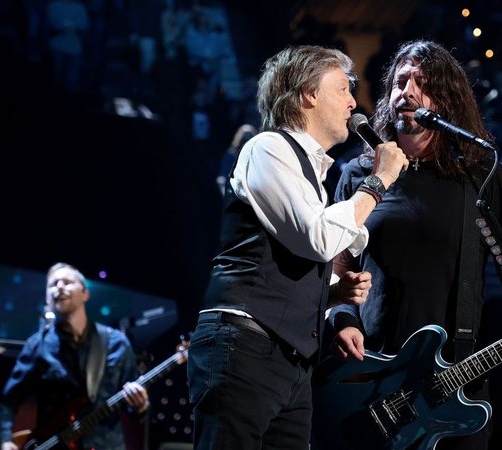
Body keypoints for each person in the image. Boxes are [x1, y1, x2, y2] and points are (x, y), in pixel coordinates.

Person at [326, 39, 502, 450]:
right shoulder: (361, 173)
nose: (407, 91)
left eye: (422, 82)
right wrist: (343, 318)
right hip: (373, 377)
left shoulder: (478, 176)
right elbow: (337, 269)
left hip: (455, 378)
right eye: (400, 82)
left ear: (446, 101)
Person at [186, 45, 409, 449]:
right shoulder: (267, 148)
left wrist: (331, 293)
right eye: (343, 88)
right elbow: (320, 239)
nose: (352, 102)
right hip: (245, 346)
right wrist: (377, 182)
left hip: (289, 360)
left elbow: (294, 256)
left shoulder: (311, 175)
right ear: (309, 94)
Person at [0, 262, 149, 450]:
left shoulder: (116, 342)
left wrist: (140, 406)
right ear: (47, 298)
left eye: (67, 282)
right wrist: (5, 441)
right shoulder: (37, 346)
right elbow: (8, 402)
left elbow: (134, 408)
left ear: (85, 293)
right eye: (53, 284)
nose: (59, 287)